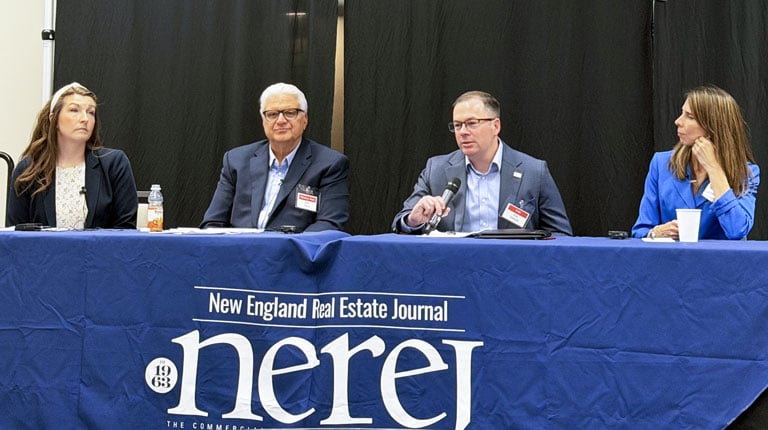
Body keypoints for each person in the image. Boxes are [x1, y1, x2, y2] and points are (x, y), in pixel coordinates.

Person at [392, 90, 572, 235]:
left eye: (471, 123)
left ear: (496, 126)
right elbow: (401, 222)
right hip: (453, 270)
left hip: (513, 272)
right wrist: (413, 220)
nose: (463, 132)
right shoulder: (436, 169)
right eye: (457, 125)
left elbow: (560, 234)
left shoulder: (533, 171)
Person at [201, 82, 349, 232]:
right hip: (241, 251)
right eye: (272, 114)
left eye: (290, 112)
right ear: (264, 121)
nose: (280, 120)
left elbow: (329, 224)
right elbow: (213, 222)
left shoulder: (329, 164)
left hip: (293, 252)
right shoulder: (236, 160)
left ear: (305, 120)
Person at [632, 85, 759, 240]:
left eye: (690, 117)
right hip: (672, 262)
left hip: (720, 263)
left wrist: (714, 170)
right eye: (682, 113)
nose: (678, 121)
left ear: (713, 127)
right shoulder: (661, 164)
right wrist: (655, 233)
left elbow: (737, 230)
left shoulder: (746, 172)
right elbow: (640, 231)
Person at [6, 82, 138, 229]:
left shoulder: (114, 164)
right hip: (45, 252)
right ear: (53, 119)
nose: (85, 119)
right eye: (74, 110)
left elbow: (125, 231)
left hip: (100, 252)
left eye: (91, 112)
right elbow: (16, 235)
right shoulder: (28, 170)